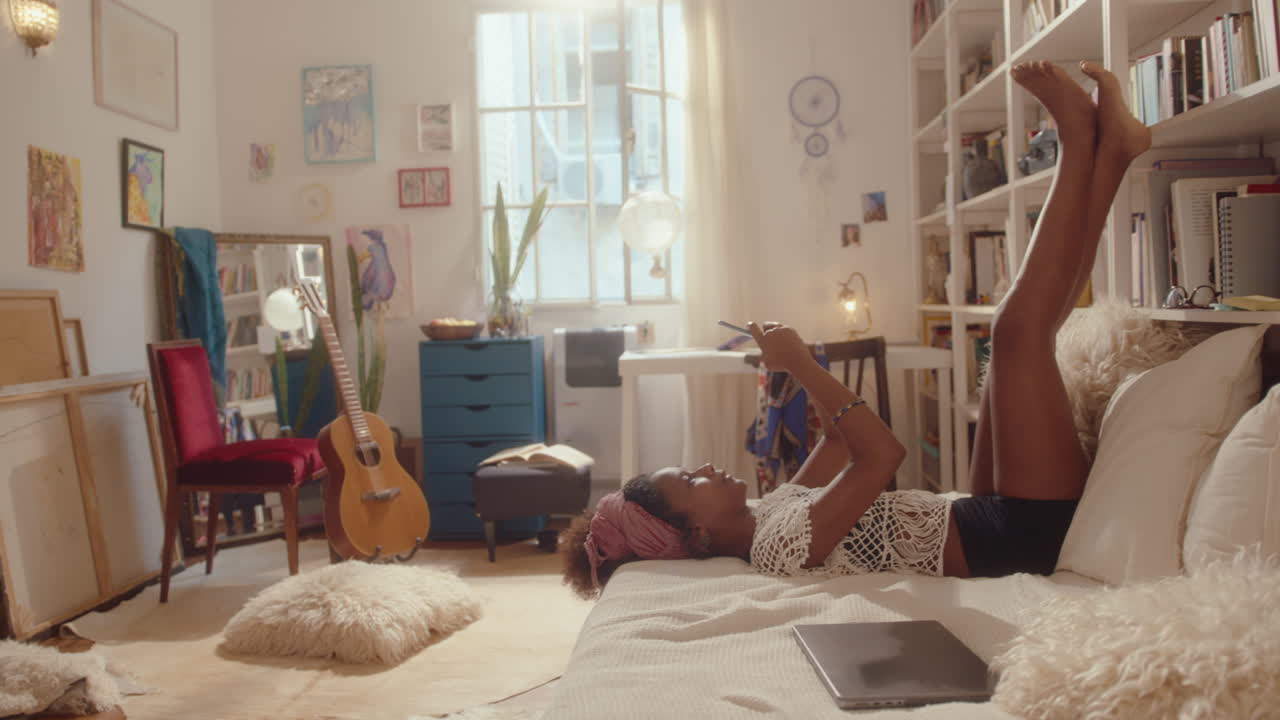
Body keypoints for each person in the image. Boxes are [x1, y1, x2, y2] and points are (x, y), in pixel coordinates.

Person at [562, 61, 1153, 598]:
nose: (707, 468)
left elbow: (841, 444)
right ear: (696, 533)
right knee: (1017, 331)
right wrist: (801, 364)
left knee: (1016, 338)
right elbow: (882, 456)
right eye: (692, 481)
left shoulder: (772, 512)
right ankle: (1078, 145)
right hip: (1024, 537)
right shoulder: (777, 550)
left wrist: (792, 364)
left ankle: (1113, 155)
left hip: (987, 517)